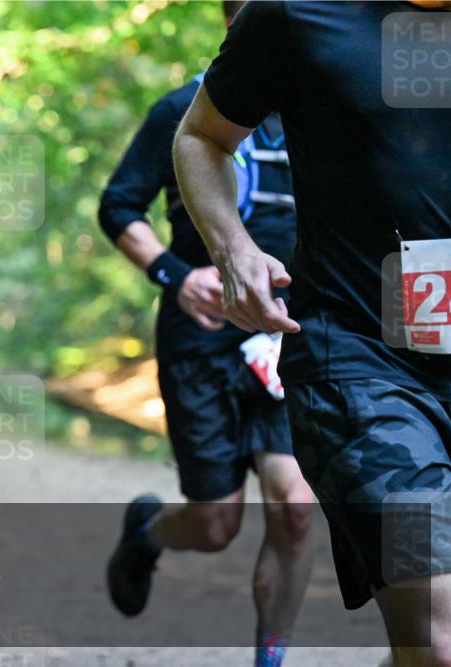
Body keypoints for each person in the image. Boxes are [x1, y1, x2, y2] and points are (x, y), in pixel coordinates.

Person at [172, 2, 451, 665]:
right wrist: (232, 249)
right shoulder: (299, 14)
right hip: (365, 370)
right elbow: (200, 136)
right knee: (438, 636)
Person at [100, 4, 315, 665]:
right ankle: (146, 532)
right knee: (216, 524)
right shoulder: (181, 110)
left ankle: (269, 659)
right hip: (201, 344)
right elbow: (118, 205)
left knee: (297, 507)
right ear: (235, 20)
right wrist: (175, 275)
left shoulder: (318, 117)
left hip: (283, 339)